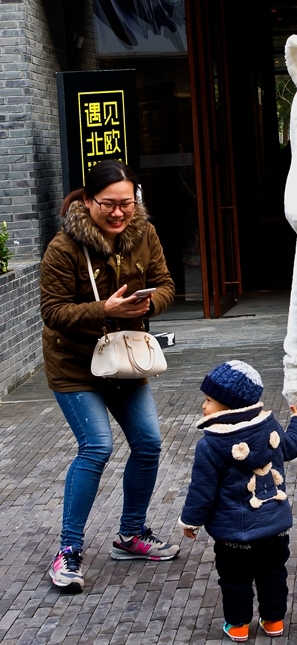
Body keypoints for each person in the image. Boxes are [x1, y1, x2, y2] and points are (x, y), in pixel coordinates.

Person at [41, 159, 178, 593]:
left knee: (149, 442)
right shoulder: (63, 248)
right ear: (86, 200)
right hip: (75, 365)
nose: (119, 213)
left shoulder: (145, 234)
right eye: (109, 204)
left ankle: (131, 535)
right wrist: (106, 309)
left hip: (123, 359)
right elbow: (53, 312)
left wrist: (147, 305)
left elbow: (167, 284)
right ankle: (68, 551)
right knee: (97, 446)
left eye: (127, 203)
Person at [178, 360, 297, 641]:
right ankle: (274, 621)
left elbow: (202, 490)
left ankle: (238, 625)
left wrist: (191, 520)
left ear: (230, 406)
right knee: (273, 574)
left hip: (233, 535)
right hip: (274, 527)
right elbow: (290, 447)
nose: (203, 406)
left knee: (235, 580)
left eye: (208, 400)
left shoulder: (210, 444)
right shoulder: (270, 427)